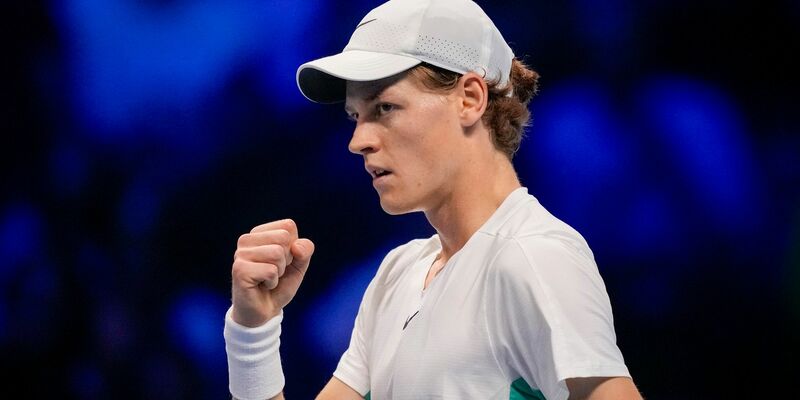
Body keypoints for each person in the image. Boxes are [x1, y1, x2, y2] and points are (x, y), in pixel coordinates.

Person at [223, 0, 643, 399]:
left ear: (470, 99)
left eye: (385, 108)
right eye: (355, 116)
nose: (358, 141)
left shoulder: (534, 257)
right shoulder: (397, 275)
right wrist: (252, 330)